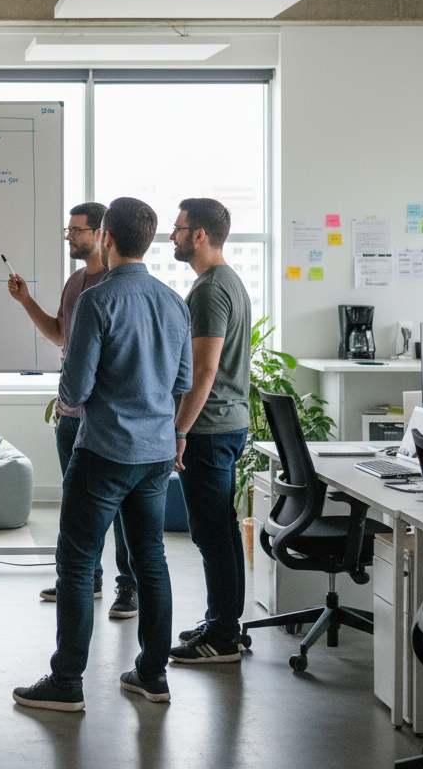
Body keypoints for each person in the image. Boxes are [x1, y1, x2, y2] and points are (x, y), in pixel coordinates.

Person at [13, 197, 192, 711]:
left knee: (74, 562)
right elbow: (181, 381)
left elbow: (73, 391)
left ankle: (67, 682)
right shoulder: (174, 302)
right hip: (156, 454)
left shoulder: (98, 300)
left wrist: (82, 394)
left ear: (107, 237)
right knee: (150, 560)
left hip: (105, 451)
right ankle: (152, 675)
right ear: (151, 241)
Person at [8, 201, 139, 618]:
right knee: (77, 502)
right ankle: (87, 580)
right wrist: (27, 301)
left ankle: (128, 586)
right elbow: (60, 334)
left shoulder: (117, 286)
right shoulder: (76, 281)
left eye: (77, 230)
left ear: (102, 234)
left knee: (119, 507)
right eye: (68, 230)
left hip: (107, 417)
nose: (70, 237)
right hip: (70, 414)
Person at [167, 198, 252, 665]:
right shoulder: (229, 282)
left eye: (179, 229)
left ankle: (221, 637)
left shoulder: (209, 290)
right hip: (228, 423)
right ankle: (225, 625)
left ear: (199, 234)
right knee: (220, 530)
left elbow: (204, 372)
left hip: (210, 428)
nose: (173, 236)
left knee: (212, 534)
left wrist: (180, 429)